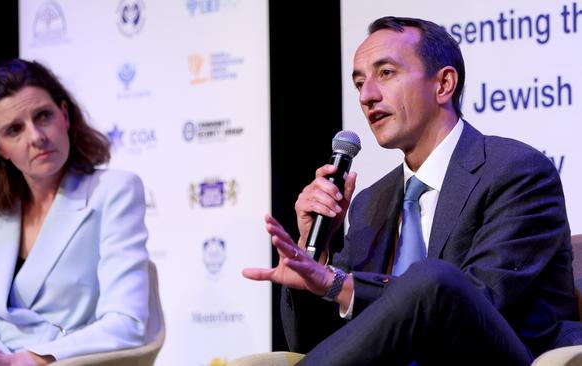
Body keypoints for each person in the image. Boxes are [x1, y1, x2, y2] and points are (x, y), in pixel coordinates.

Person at [243, 16, 581, 365]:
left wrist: (338, 284)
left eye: (385, 73)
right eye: (359, 83)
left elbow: (477, 302)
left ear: (444, 84)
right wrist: (316, 254)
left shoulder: (515, 171)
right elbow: (315, 344)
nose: (367, 96)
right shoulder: (369, 204)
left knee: (431, 277)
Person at [0, 59, 151, 365]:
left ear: (64, 116)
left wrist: (19, 361)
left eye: (43, 116)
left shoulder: (114, 191)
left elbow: (127, 324)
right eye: (14, 130)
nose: (36, 136)